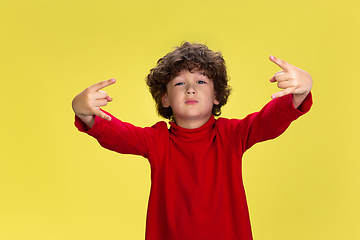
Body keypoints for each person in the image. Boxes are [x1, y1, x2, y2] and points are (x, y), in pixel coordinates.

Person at [72, 42, 313, 240]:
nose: (190, 89)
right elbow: (119, 135)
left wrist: (300, 92)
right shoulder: (157, 140)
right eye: (179, 83)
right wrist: (85, 112)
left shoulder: (232, 134)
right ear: (165, 99)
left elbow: (266, 121)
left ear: (216, 95)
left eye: (200, 81)